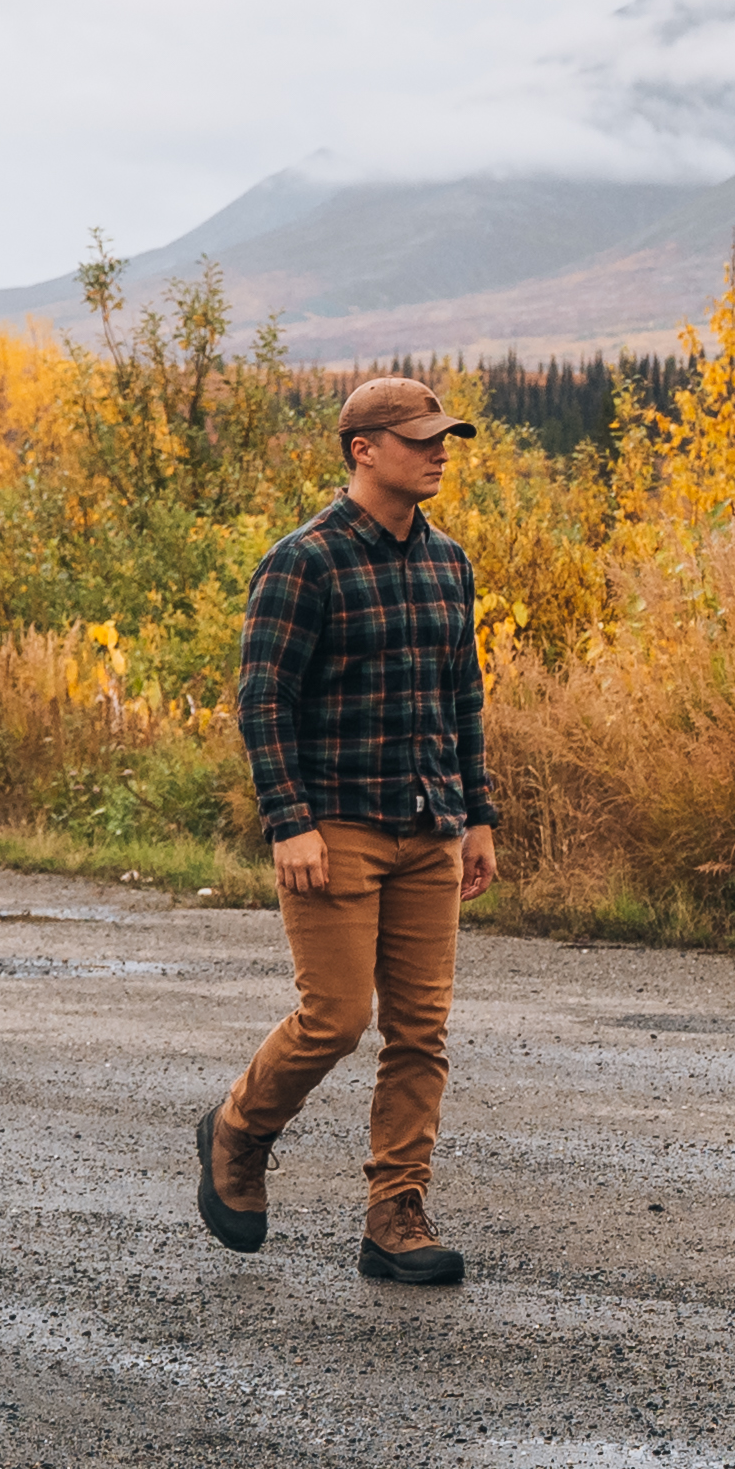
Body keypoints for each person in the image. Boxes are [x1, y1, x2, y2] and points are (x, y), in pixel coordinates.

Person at [193, 375, 498, 1285]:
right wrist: (290, 824)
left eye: (445, 437)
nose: (440, 450)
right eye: (420, 438)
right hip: (334, 826)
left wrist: (478, 813)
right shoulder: (306, 561)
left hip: (429, 824)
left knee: (421, 1031)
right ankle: (238, 1132)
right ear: (362, 449)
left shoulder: (448, 561)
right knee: (335, 1017)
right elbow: (263, 701)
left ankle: (395, 1215)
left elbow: (462, 698)